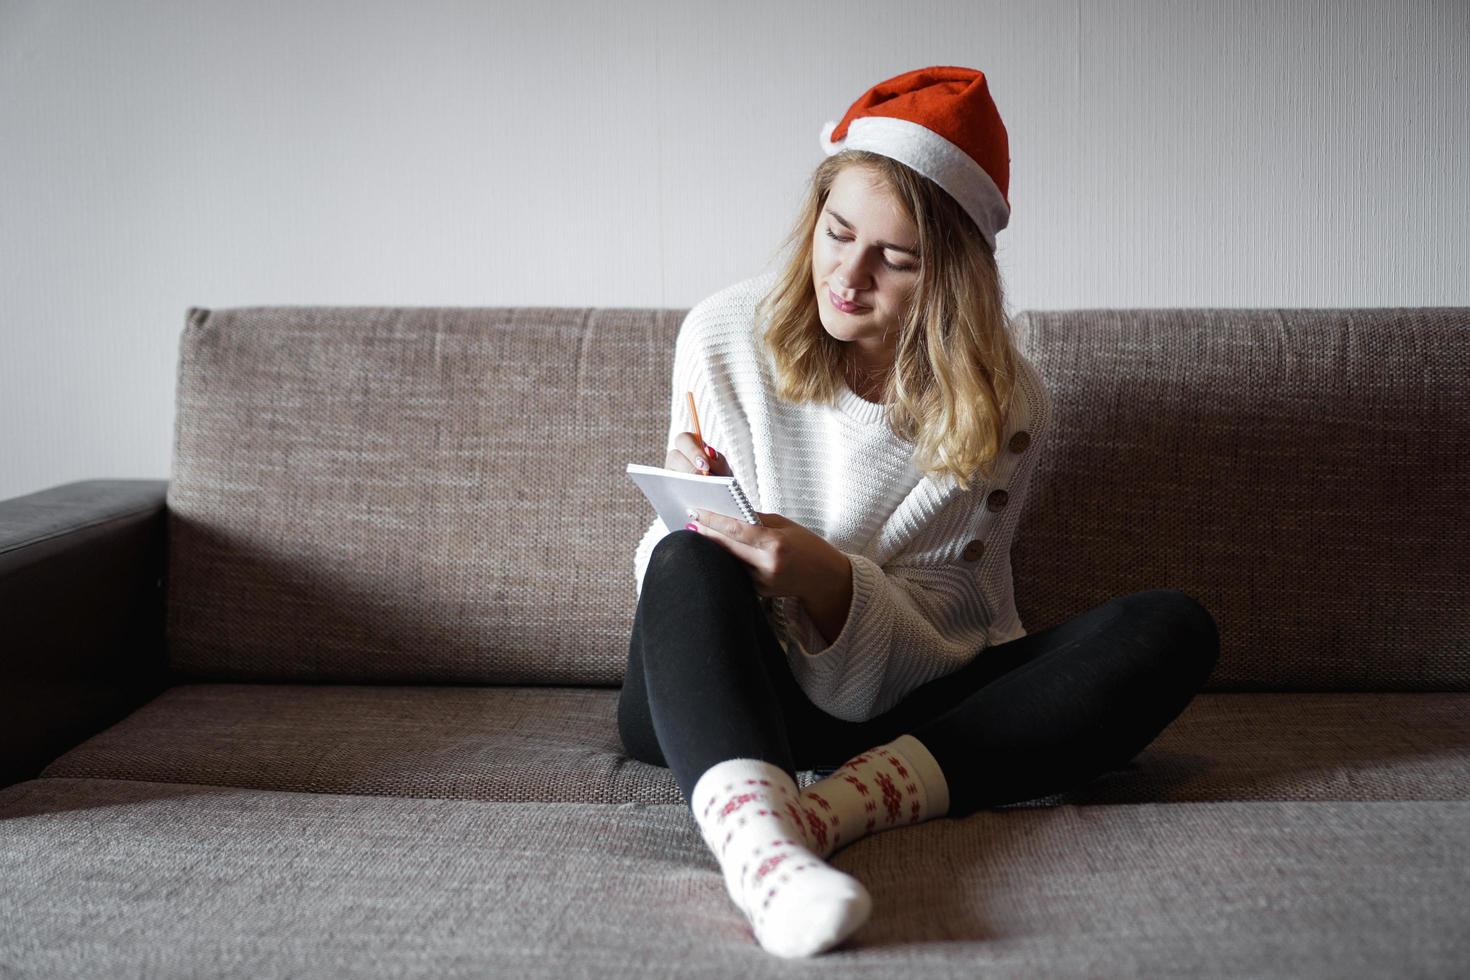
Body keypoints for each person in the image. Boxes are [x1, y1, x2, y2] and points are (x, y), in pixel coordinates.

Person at [617, 66, 1220, 959]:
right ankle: (763, 852)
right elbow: (672, 588)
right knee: (687, 559)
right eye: (837, 233)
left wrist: (825, 578)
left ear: (951, 279)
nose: (848, 278)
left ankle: (815, 820)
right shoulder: (719, 336)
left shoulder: (1002, 404)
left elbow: (950, 625)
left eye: (895, 259)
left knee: (1172, 629)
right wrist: (688, 509)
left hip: (904, 704)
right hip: (725, 693)